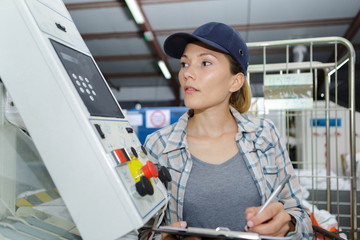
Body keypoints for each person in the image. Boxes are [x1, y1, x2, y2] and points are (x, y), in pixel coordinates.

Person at [144, 22, 312, 239]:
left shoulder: (264, 135)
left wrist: (287, 226)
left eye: (205, 62)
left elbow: (302, 217)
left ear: (235, 81)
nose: (187, 74)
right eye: (185, 64)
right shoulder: (158, 145)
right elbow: (140, 230)